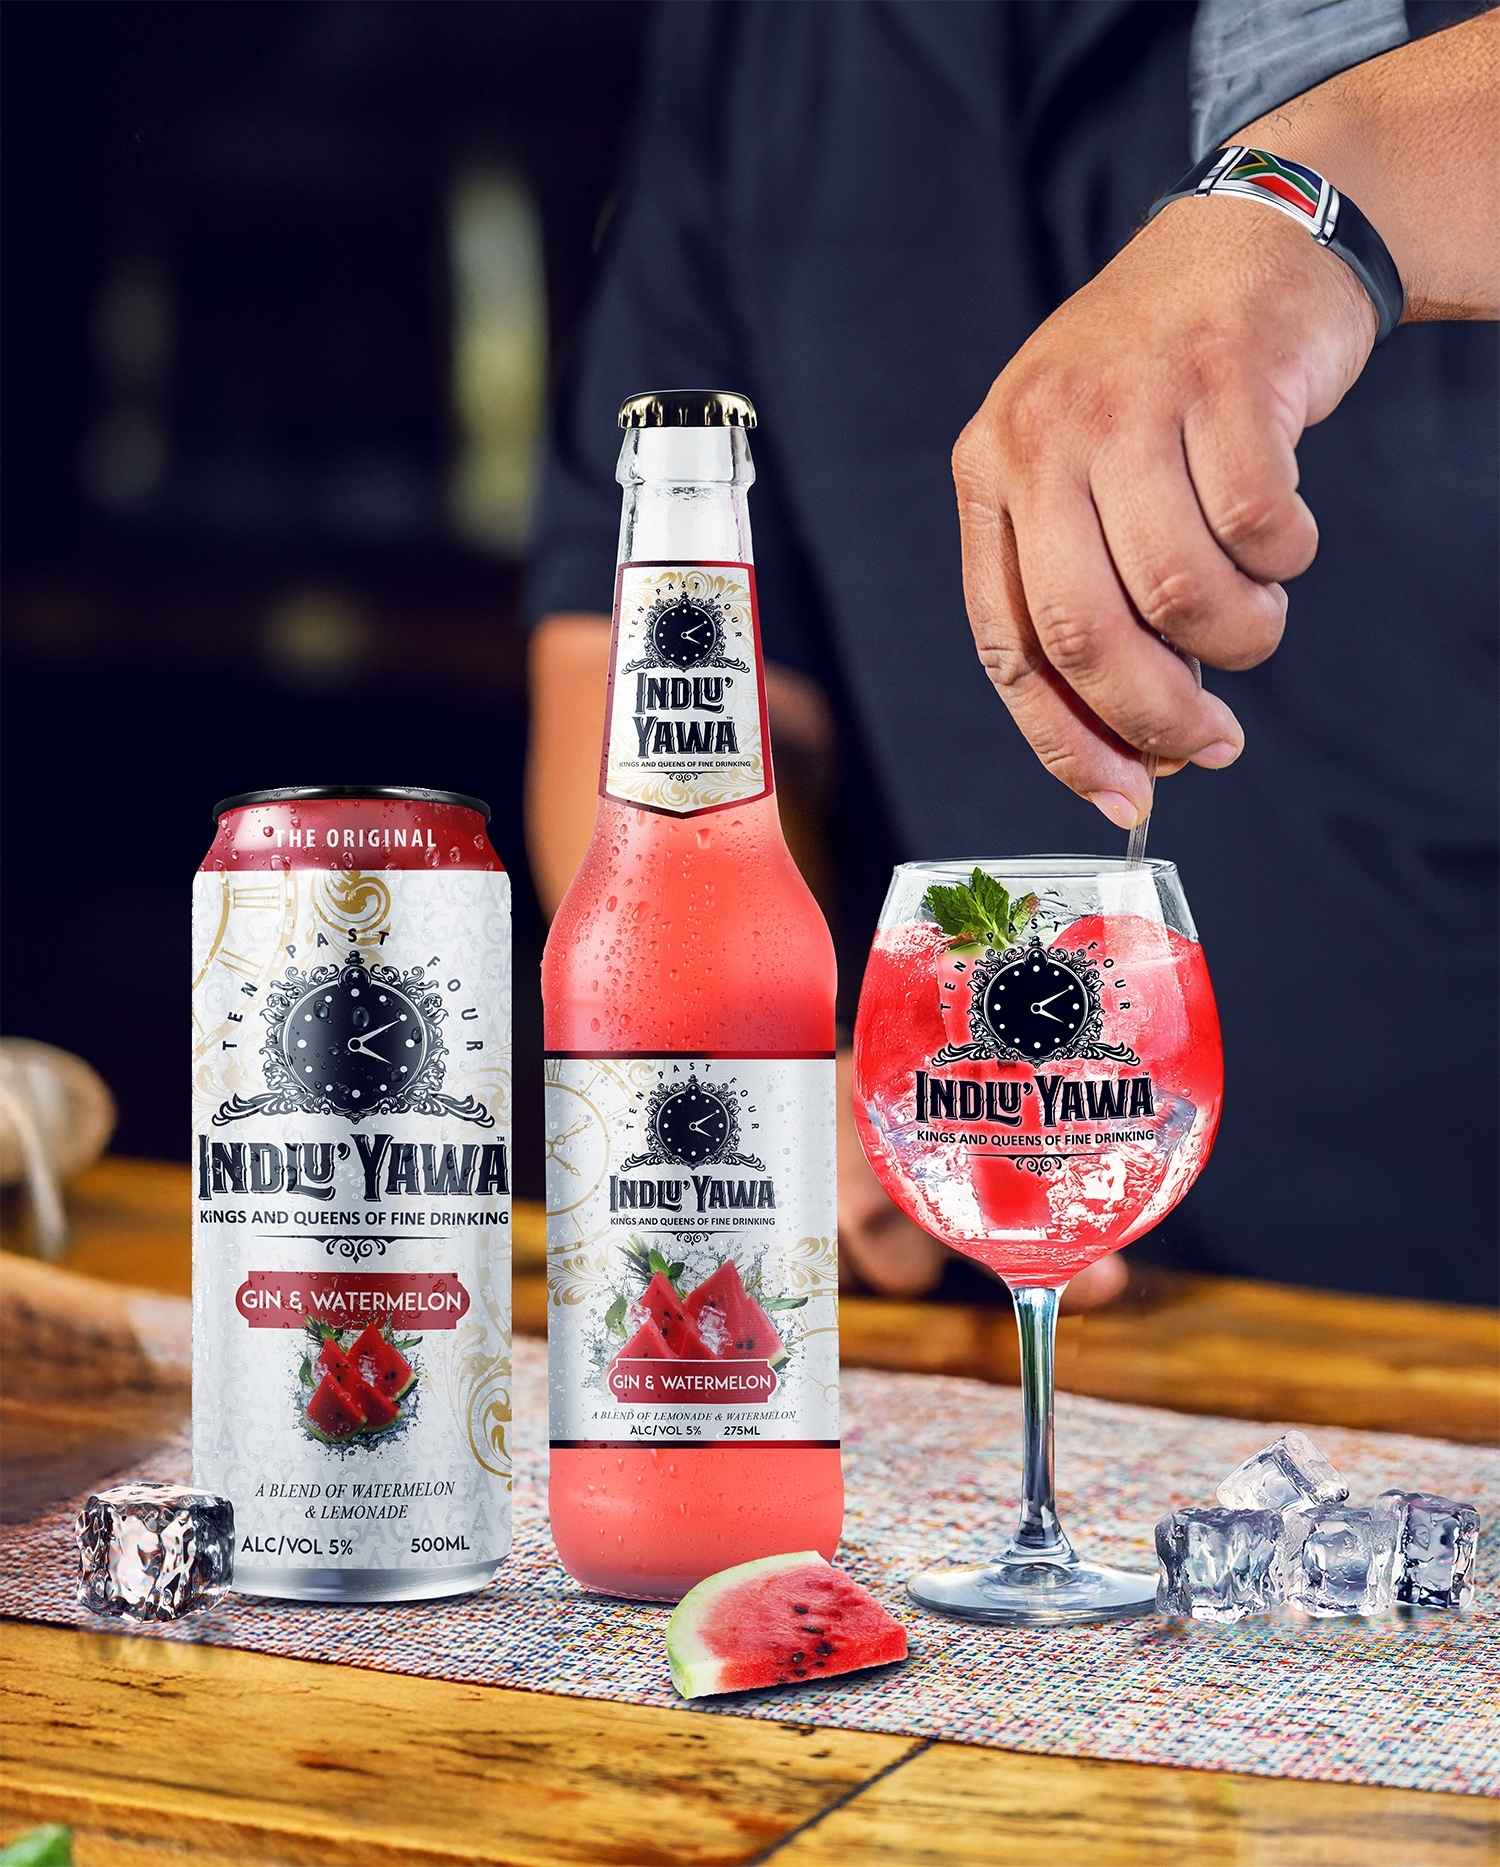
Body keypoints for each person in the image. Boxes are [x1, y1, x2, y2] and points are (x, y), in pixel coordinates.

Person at [525, 1, 1499, 1307]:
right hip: (1025, 1311)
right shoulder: (774, 34)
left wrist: (1303, 202)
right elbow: (662, 667)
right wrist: (743, 1060)